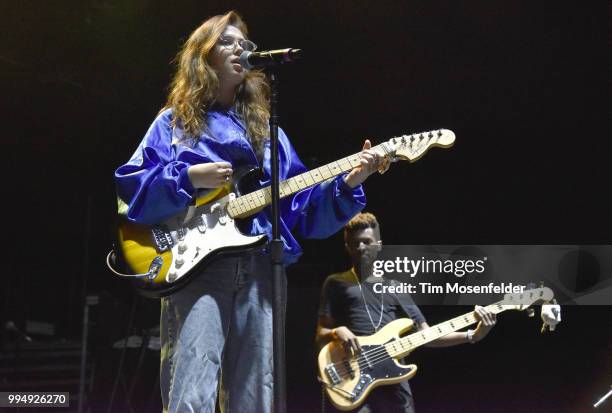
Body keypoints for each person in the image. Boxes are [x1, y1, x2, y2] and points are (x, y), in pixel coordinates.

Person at [114, 10, 387, 413]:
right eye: (227, 41)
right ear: (202, 55)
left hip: (260, 266)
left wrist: (350, 182)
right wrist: (188, 177)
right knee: (193, 382)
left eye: (246, 43)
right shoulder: (173, 123)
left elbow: (301, 210)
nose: (240, 48)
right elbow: (133, 192)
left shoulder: (268, 133)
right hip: (198, 268)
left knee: (256, 391)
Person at [316, 212, 497, 413]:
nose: (361, 248)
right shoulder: (335, 283)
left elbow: (427, 336)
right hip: (352, 378)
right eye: (355, 243)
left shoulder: (395, 287)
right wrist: (337, 331)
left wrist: (473, 335)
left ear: (379, 244)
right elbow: (320, 334)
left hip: (393, 382)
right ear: (347, 247)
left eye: (367, 242)